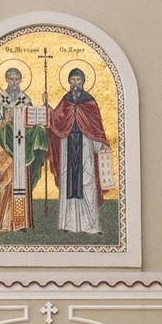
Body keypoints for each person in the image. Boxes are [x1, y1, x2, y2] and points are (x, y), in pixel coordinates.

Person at [47, 68, 111, 234]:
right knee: (69, 184)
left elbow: (96, 127)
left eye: (78, 80)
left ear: (83, 82)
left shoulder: (89, 102)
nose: (75, 83)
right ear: (69, 82)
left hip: (86, 147)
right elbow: (57, 121)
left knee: (87, 184)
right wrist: (47, 108)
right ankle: (69, 225)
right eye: (73, 79)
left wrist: (100, 143)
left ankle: (91, 226)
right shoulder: (65, 101)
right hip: (68, 145)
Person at [0, 67, 48, 233]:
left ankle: (20, 223)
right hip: (4, 148)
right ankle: (1, 224)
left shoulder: (25, 100)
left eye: (17, 79)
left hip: (22, 148)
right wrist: (4, 122)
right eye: (11, 79)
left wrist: (43, 110)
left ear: (21, 80)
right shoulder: (0, 100)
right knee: (4, 184)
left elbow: (33, 123)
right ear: (6, 80)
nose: (14, 82)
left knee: (22, 184)